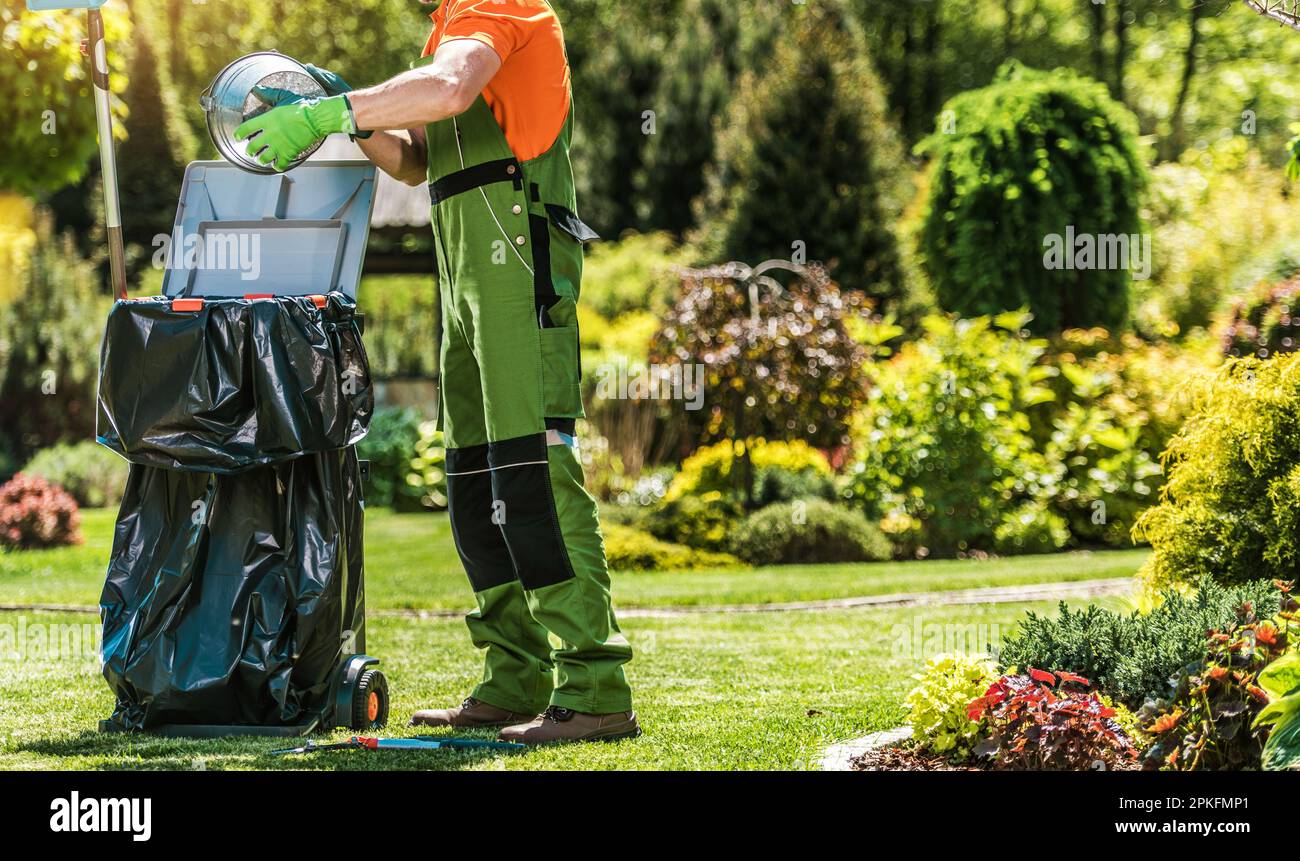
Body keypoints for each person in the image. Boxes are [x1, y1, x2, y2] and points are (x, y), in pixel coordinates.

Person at [235, 0, 637, 744]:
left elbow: (451, 88)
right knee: (476, 478)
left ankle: (595, 682)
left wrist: (330, 111)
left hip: (516, 253)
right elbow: (416, 162)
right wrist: (352, 120)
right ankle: (515, 674)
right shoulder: (449, 21)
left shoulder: (501, 6)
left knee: (533, 469)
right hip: (461, 269)